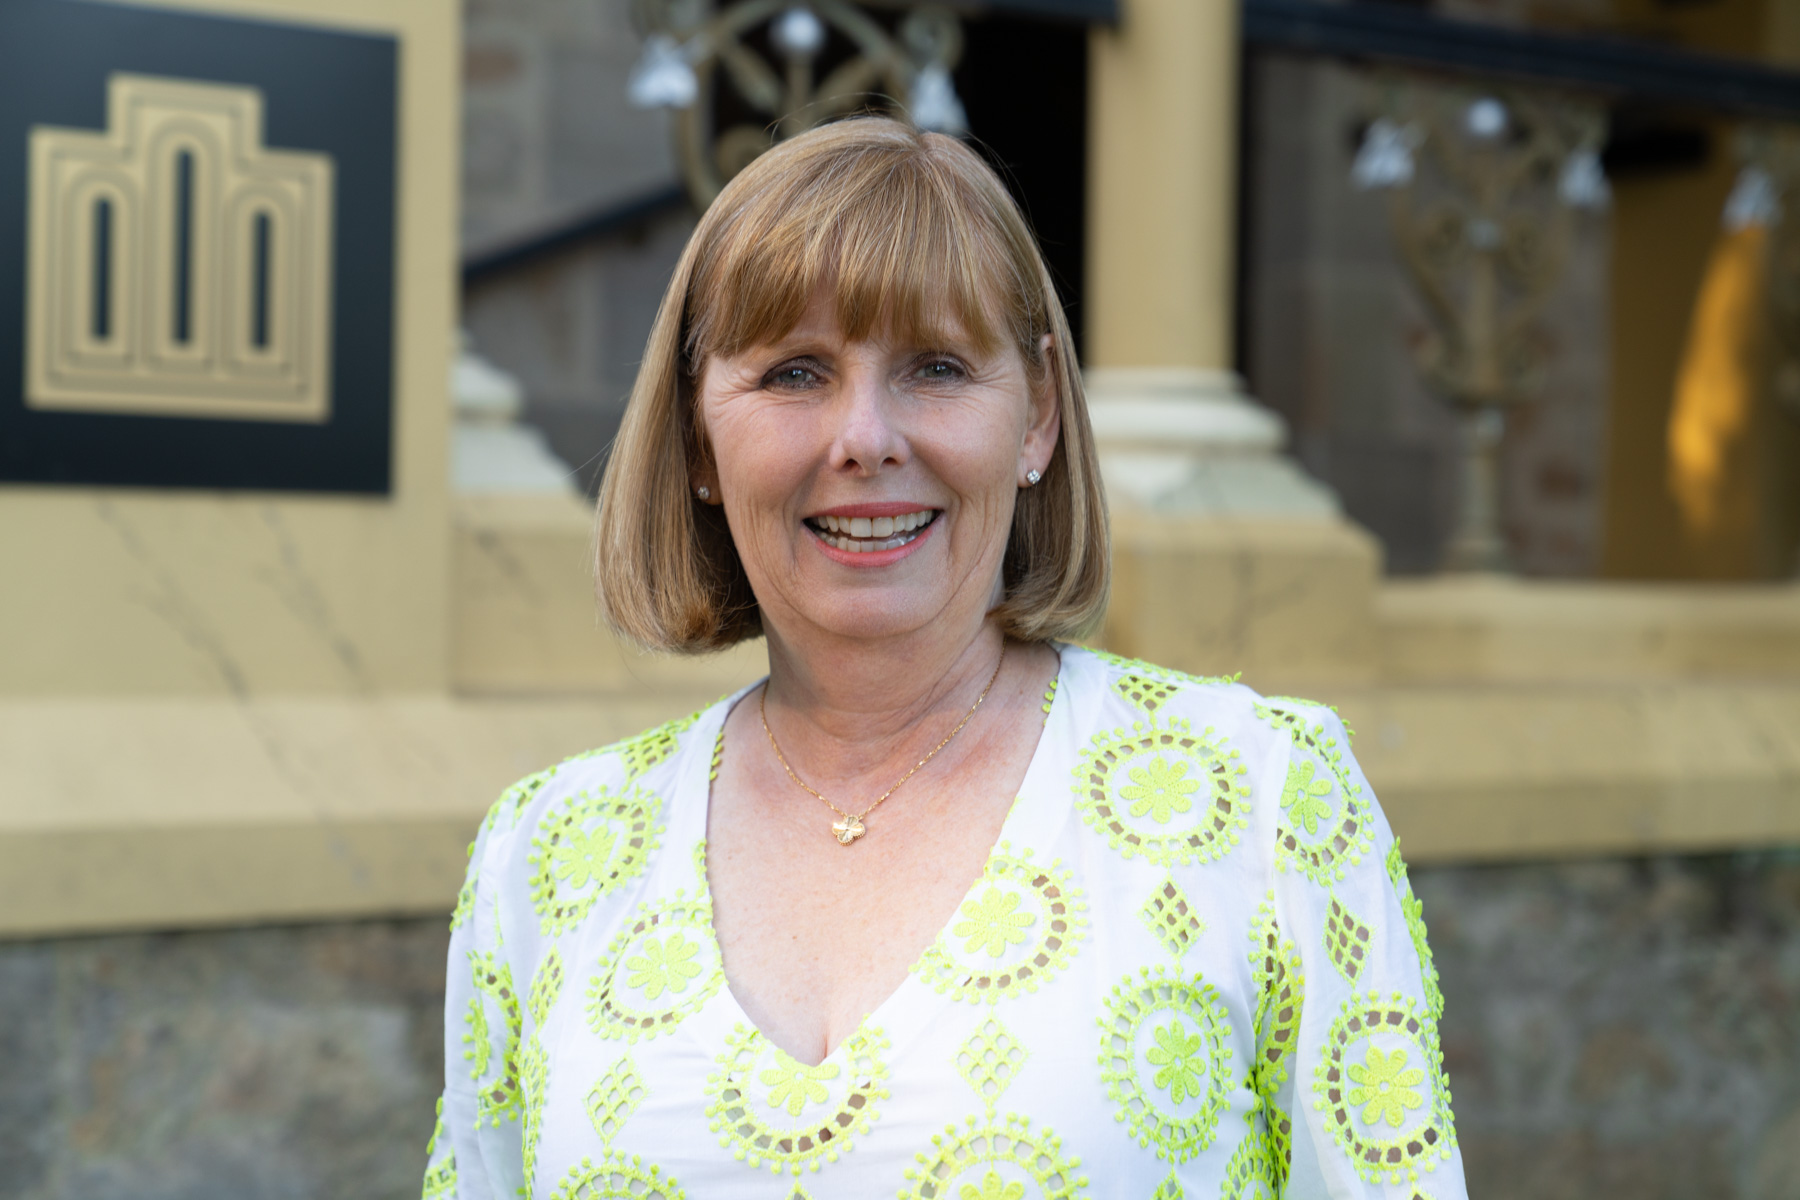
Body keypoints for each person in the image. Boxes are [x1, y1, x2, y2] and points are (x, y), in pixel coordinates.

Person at [422, 116, 1467, 1200]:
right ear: (696, 438)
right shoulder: (548, 856)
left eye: (936, 367)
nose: (865, 439)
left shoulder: (1259, 797)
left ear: (1038, 414)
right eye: (794, 373)